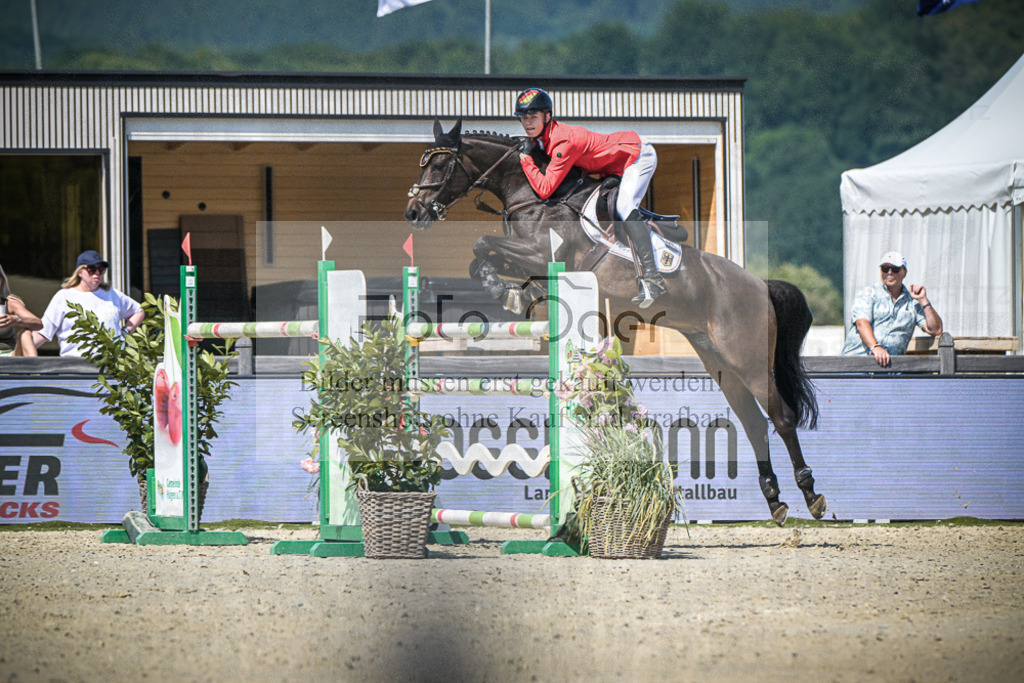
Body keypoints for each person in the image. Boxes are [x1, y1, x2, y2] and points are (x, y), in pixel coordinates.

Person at [513, 87, 665, 308]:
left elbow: (545, 189)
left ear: (547, 117)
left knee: (624, 206)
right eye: (523, 118)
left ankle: (653, 278)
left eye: (532, 117)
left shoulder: (563, 142)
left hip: (637, 156)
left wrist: (525, 159)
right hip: (612, 166)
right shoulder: (545, 138)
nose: (527, 123)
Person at [32, 250, 145, 358]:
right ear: (80, 272)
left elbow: (138, 311)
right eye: (92, 269)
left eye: (101, 269)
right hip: (75, 364)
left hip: (111, 364)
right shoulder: (64, 297)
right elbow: (44, 331)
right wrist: (23, 351)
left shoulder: (112, 294)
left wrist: (125, 332)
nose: (97, 273)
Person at [842, 251, 943, 367]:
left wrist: (923, 300)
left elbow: (936, 330)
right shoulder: (868, 293)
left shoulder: (913, 302)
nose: (889, 272)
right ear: (881, 271)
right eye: (885, 268)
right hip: (856, 364)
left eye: (895, 269)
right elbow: (862, 323)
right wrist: (875, 347)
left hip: (890, 367)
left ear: (904, 272)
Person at [0, 262, 43, 357]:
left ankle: (34, 366)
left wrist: (16, 319)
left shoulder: (10, 304)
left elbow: (38, 323)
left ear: (1, 282)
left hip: (10, 357)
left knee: (25, 333)